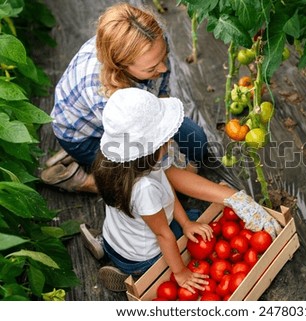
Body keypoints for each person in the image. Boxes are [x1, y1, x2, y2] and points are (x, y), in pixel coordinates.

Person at [86, 88, 282, 292]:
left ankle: (105, 248)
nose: (170, 142)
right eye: (164, 142)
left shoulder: (119, 165)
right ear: (148, 152)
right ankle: (135, 275)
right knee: (194, 226)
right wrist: (180, 273)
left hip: (115, 237)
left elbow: (168, 193)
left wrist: (186, 223)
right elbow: (164, 236)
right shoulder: (144, 189)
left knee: (190, 223)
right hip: (143, 257)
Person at [40, 2, 208, 193]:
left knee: (197, 142)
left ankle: (100, 167)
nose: (164, 69)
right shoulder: (105, 92)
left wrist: (167, 132)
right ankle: (85, 181)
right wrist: (174, 171)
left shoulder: (151, 40)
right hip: (83, 137)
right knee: (147, 188)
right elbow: (147, 146)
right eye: (152, 68)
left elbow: (161, 95)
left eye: (163, 57)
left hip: (132, 117)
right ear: (120, 66)